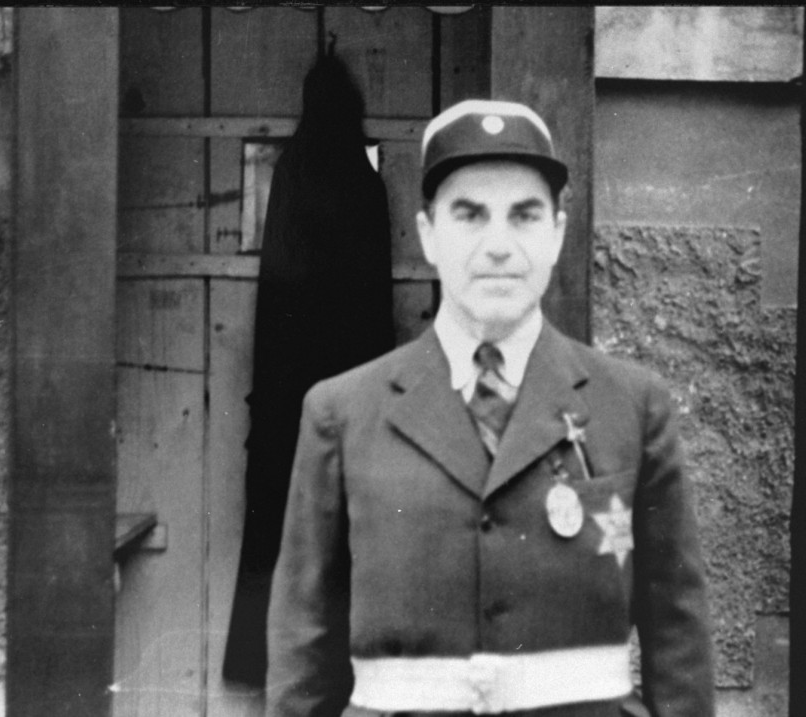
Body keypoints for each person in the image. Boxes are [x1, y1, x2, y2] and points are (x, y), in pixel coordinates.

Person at [265, 99, 715, 717]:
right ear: (427, 234)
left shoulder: (633, 406)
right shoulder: (343, 413)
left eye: (524, 216)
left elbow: (676, 628)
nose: (498, 245)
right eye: (470, 215)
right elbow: (304, 641)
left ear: (557, 232)